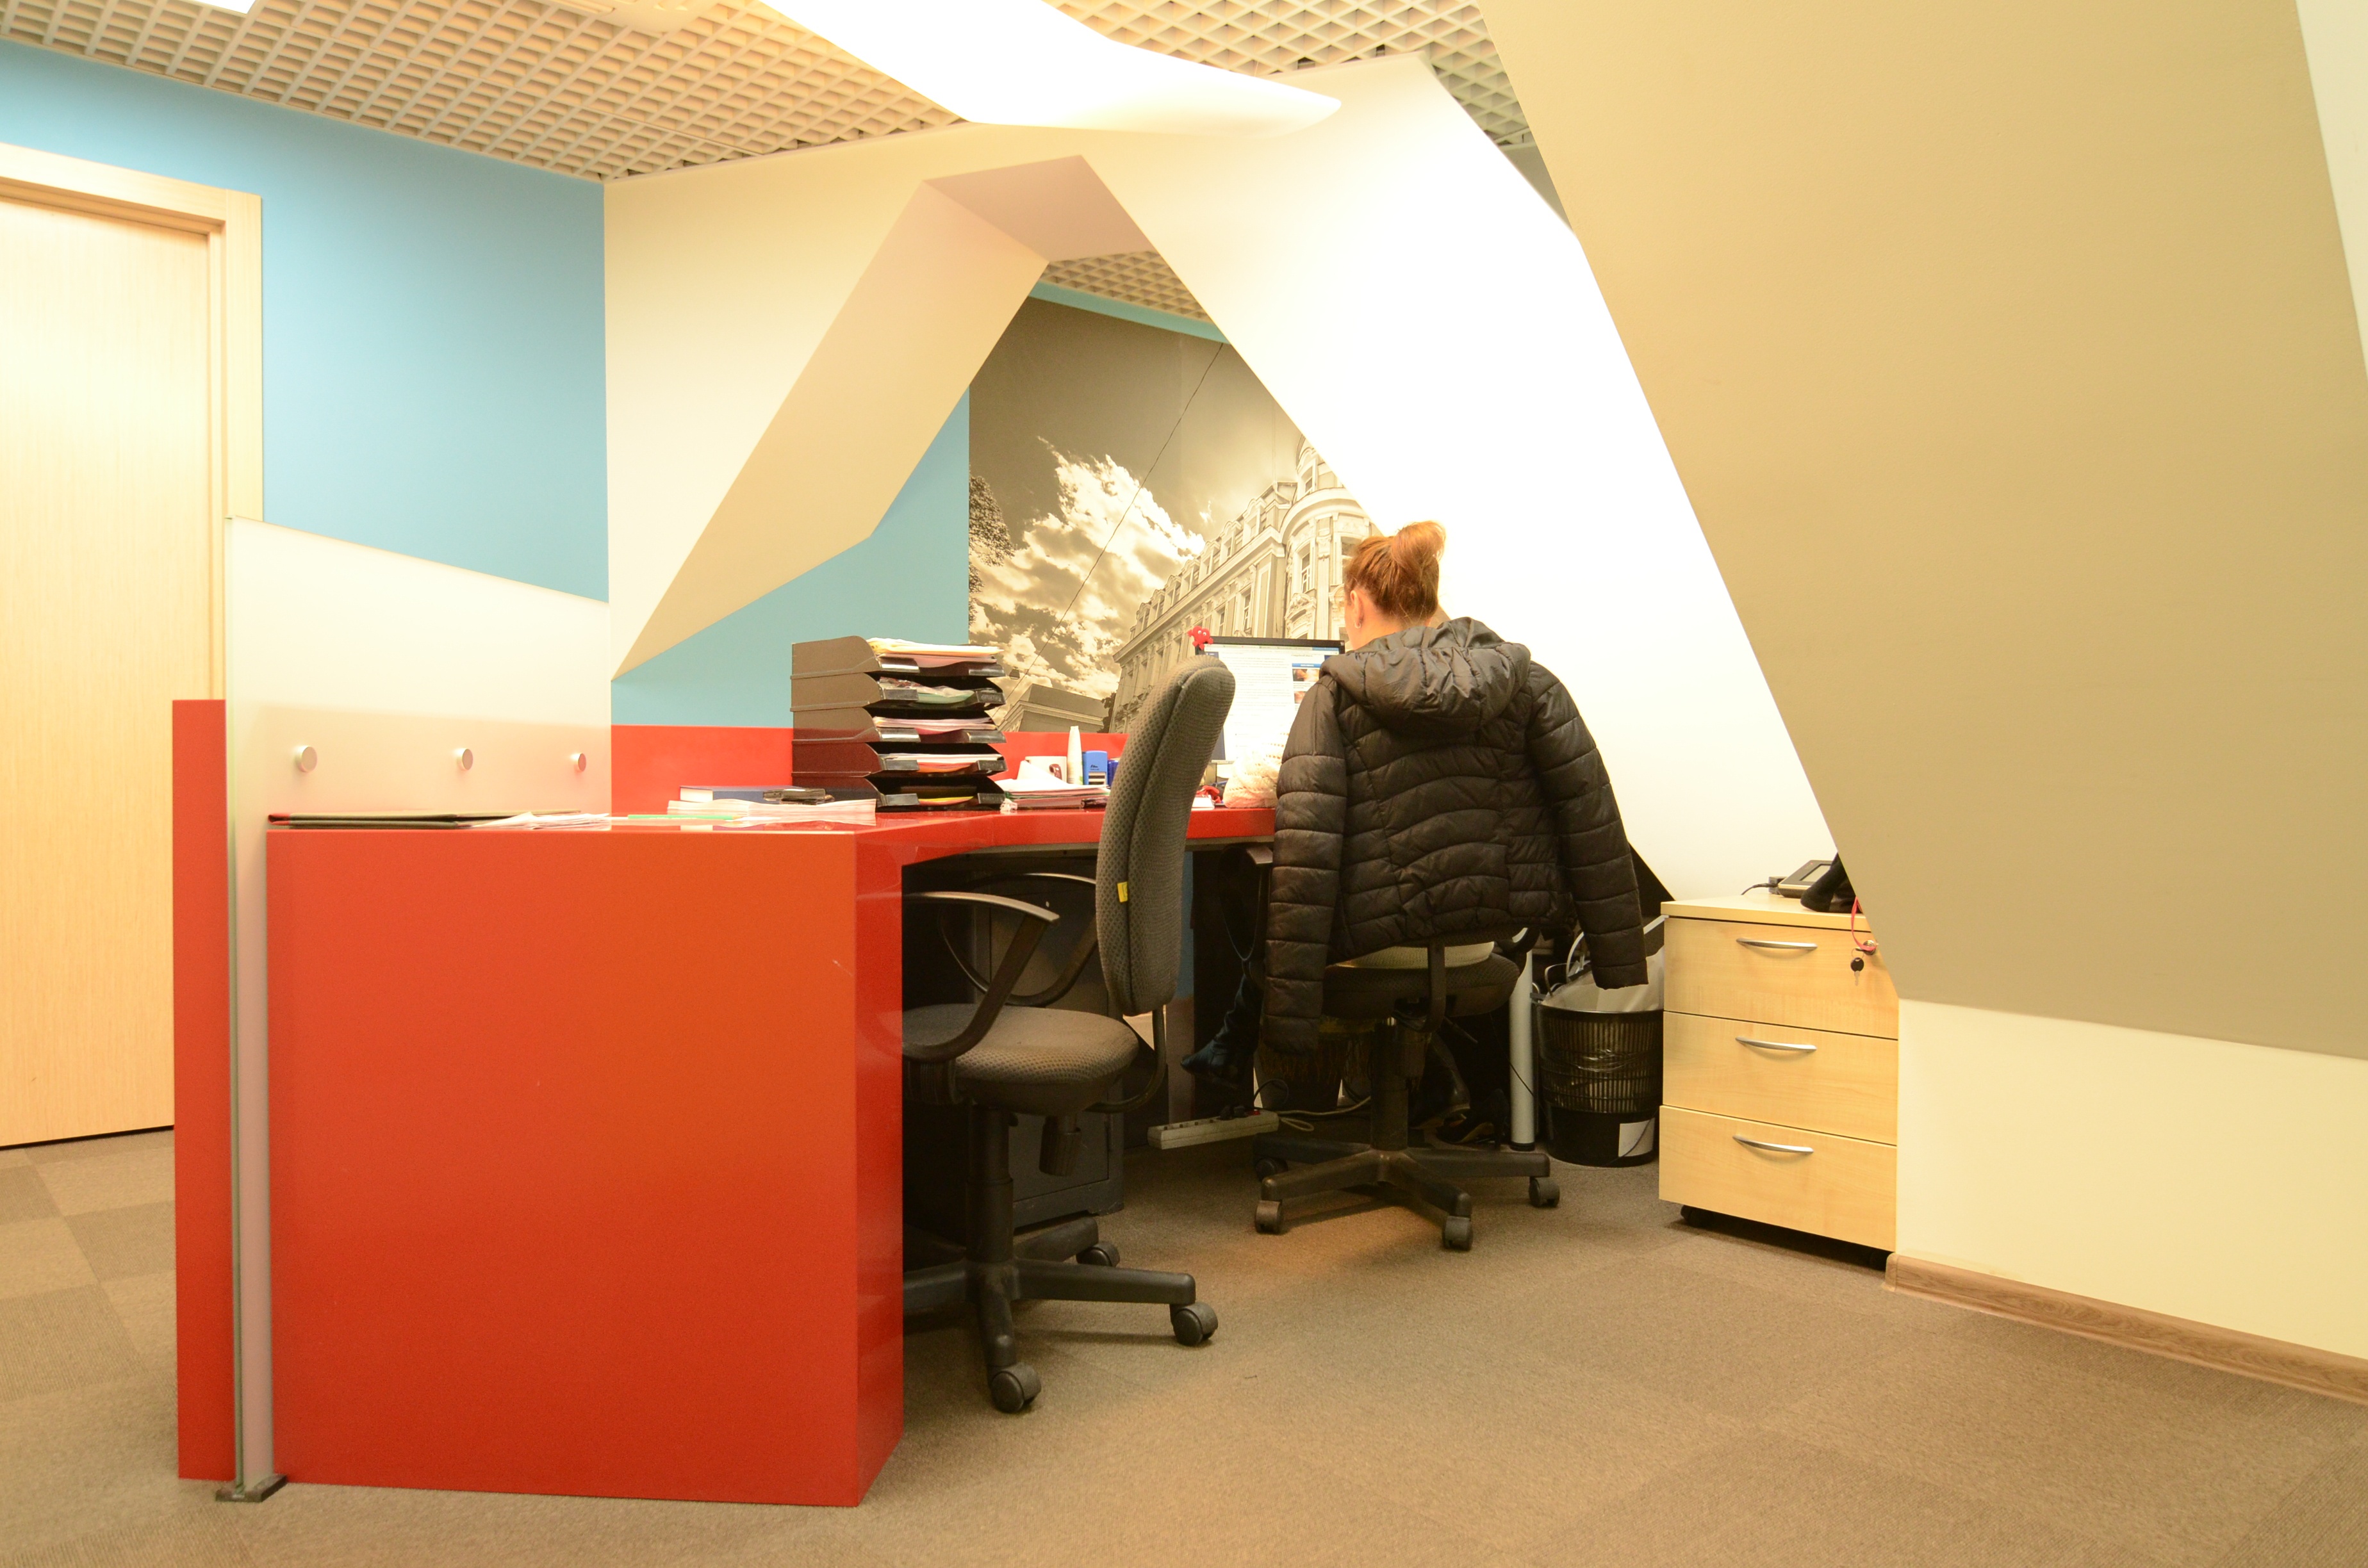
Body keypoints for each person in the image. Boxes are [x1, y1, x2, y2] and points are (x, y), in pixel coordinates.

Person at [1183, 521, 1648, 1132]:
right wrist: (1620, 958)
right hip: (1490, 937)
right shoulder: (1529, 683)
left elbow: (1305, 852)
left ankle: (1242, 1060)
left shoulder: (1333, 698)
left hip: (1375, 942)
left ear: (1356, 604)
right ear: (1431, 601)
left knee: (1249, 885)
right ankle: (1441, 1090)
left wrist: (1290, 1015)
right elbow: (1593, 817)